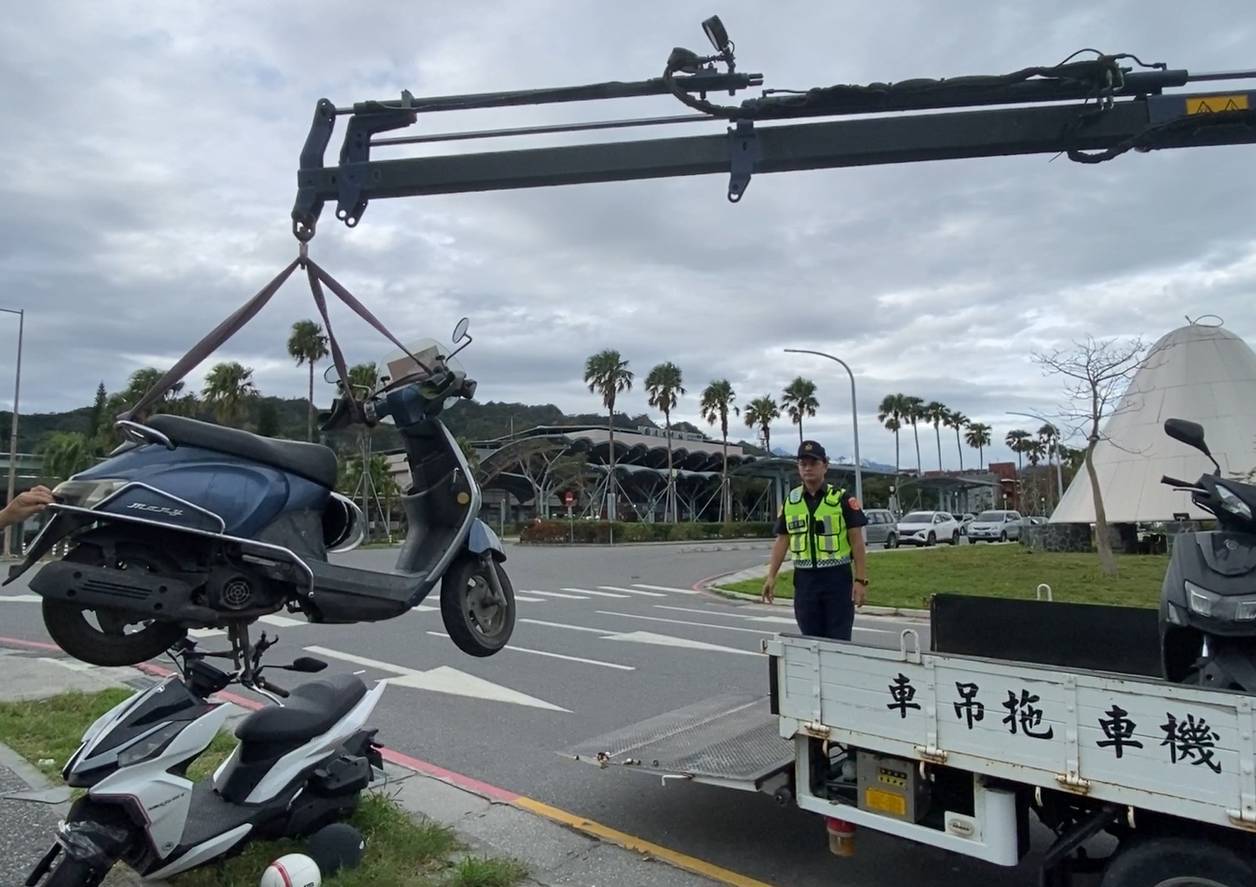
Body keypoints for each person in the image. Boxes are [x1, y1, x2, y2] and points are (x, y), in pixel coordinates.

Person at [761, 441, 869, 640]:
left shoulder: (841, 499)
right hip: (805, 581)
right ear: (798, 468)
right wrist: (771, 576)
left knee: (839, 640)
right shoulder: (791, 501)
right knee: (810, 639)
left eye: (813, 463)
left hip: (836, 579)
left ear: (825, 466)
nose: (808, 468)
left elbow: (857, 542)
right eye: (803, 464)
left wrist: (860, 580)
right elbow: (782, 541)